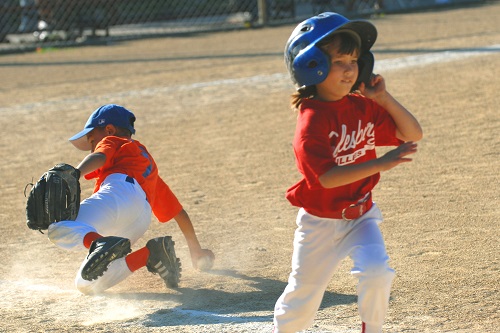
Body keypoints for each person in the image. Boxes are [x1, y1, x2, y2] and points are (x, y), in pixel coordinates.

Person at [274, 12, 423, 333]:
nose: (350, 69)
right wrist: (383, 162)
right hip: (320, 223)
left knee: (377, 272)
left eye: (354, 61)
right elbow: (327, 178)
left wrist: (383, 98)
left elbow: (413, 133)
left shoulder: (361, 105)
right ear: (313, 65)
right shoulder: (311, 122)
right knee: (302, 298)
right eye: (340, 61)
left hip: (361, 215)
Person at [47, 103, 215, 295]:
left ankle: (99, 243)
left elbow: (100, 156)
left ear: (109, 129)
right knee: (87, 284)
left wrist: (74, 173)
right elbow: (179, 213)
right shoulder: (148, 170)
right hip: (140, 216)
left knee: (57, 224)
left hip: (118, 192)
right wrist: (196, 250)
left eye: (92, 141)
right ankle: (150, 253)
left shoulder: (114, 140)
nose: (92, 148)